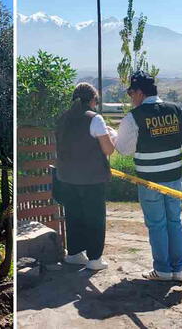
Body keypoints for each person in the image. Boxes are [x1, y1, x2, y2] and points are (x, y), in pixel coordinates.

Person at [115, 71, 182, 282]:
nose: (130, 98)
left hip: (149, 181)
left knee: (157, 224)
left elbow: (124, 149)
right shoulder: (176, 110)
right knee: (175, 221)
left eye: (130, 93)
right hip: (173, 178)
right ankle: (178, 269)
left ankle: (162, 269)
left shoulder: (133, 117)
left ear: (140, 93)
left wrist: (113, 135)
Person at [55, 83, 116, 271]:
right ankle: (95, 258)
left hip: (66, 177)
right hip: (91, 178)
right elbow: (108, 149)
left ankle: (74, 253)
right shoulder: (94, 119)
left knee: (74, 215)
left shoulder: (62, 118)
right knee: (95, 218)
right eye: (96, 101)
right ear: (92, 100)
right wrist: (112, 136)